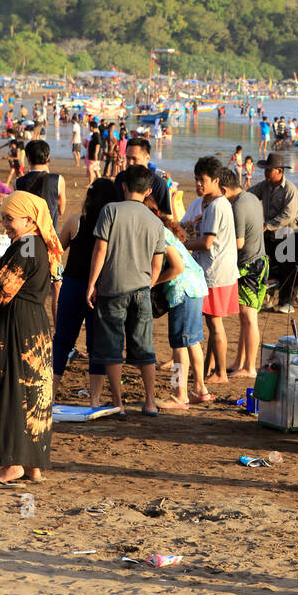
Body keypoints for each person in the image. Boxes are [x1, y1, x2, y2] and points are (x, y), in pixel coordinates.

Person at [0, 192, 59, 486]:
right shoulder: (39, 244)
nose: (6, 224)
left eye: (10, 219)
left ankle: (13, 465)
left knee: (14, 391)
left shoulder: (26, 246)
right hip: (34, 323)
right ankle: (35, 465)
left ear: (29, 218)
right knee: (35, 393)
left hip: (19, 325)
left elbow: (5, 287)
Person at [85, 165, 165, 416]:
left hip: (112, 287)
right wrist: (148, 284)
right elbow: (158, 263)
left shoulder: (111, 210)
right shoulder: (155, 220)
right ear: (148, 190)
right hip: (141, 289)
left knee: (111, 347)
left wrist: (91, 284)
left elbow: (100, 250)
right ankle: (150, 401)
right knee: (144, 347)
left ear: (124, 186)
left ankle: (118, 403)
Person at [53, 177, 118, 389]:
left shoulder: (75, 222)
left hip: (72, 285)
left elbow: (56, 250)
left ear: (89, 199)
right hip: (99, 289)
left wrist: (55, 273)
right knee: (96, 347)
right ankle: (95, 399)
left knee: (62, 341)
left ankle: (51, 391)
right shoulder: (113, 228)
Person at [147, 196, 209, 408]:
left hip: (182, 290)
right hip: (196, 287)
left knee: (179, 344)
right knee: (192, 341)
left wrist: (153, 283)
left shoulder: (159, 234)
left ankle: (179, 394)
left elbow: (177, 268)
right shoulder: (165, 230)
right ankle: (200, 389)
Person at [186, 157, 239, 384]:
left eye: (203, 180)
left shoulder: (217, 206)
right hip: (219, 269)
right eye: (197, 179)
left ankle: (220, 373)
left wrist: (183, 245)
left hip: (215, 271)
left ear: (216, 180)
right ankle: (211, 369)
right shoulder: (216, 204)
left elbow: (207, 243)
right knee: (212, 322)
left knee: (215, 324)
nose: (198, 184)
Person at [222, 168, 267, 377]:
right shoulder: (250, 197)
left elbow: (239, 242)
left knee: (249, 317)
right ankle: (239, 362)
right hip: (259, 262)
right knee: (245, 317)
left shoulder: (238, 206)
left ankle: (249, 367)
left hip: (250, 266)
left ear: (222, 189)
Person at [249, 152, 298, 313]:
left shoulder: (289, 190)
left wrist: (268, 225)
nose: (265, 173)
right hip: (270, 233)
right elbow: (248, 195)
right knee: (266, 264)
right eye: (265, 170)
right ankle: (269, 298)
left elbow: (288, 215)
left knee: (289, 270)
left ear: (279, 171)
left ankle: (287, 303)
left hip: (289, 234)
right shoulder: (264, 186)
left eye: (268, 170)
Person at [15, 139, 66, 230]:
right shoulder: (58, 180)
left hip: (27, 235)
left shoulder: (17, 182)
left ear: (28, 158)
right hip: (49, 234)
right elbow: (61, 211)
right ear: (47, 158)